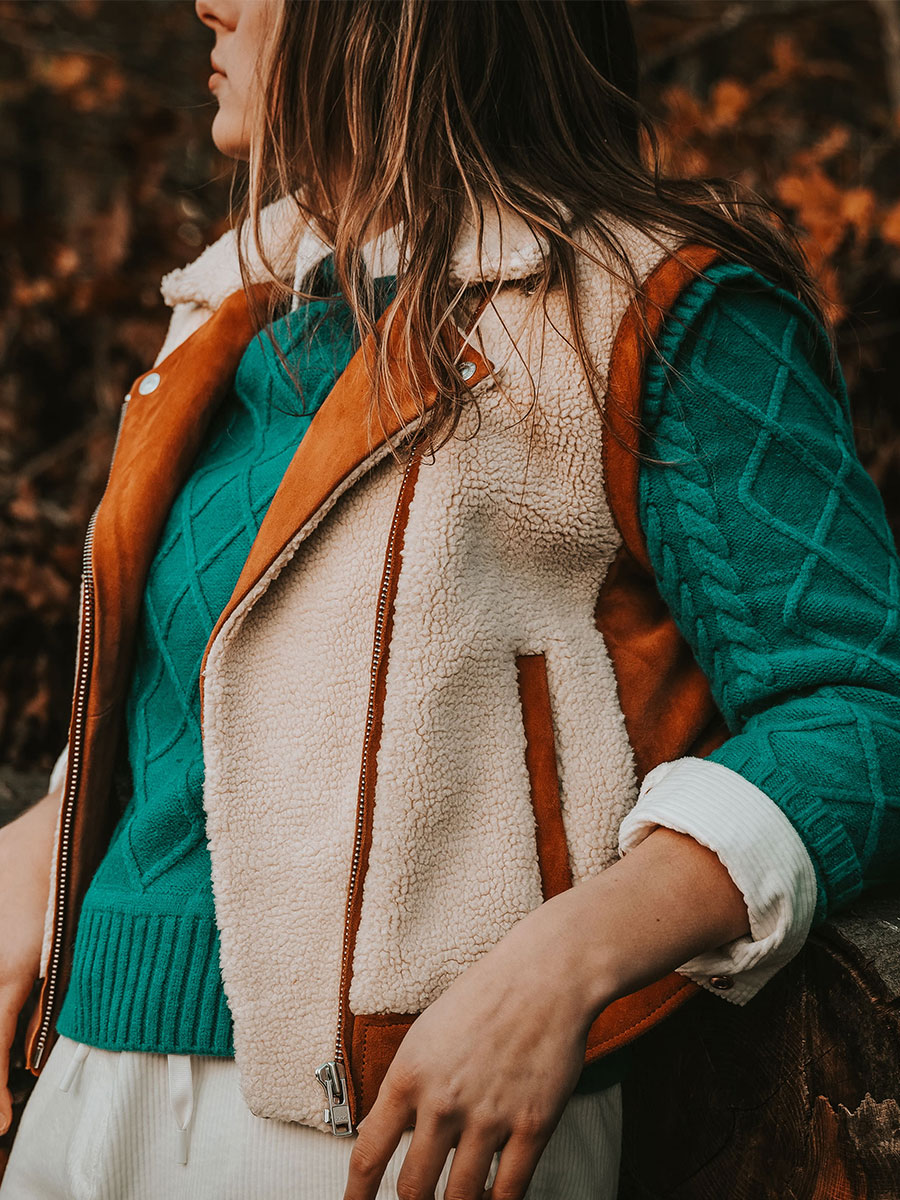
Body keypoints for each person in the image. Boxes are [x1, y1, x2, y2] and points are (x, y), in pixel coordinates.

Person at [1, 1, 898, 1197]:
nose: (203, 1)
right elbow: (232, 670)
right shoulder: (235, 305)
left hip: (402, 1123)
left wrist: (567, 964)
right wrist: (53, 830)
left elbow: (860, 704)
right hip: (88, 1081)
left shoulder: (654, 309)